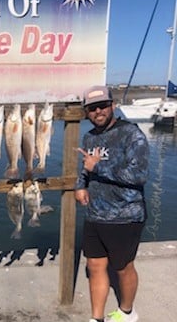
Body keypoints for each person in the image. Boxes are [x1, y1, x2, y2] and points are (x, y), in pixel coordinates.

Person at [74, 86, 149, 322]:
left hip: (125, 215)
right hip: (95, 214)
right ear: (87, 112)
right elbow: (85, 167)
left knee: (123, 267)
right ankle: (97, 318)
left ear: (112, 106)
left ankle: (127, 312)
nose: (98, 111)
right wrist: (81, 185)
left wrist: (98, 167)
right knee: (95, 266)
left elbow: (139, 174)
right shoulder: (89, 137)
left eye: (102, 106)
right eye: (92, 108)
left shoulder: (131, 134)